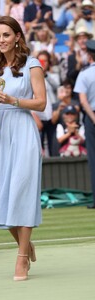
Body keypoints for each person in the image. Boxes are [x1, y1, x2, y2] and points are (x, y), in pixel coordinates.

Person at [0, 16, 46, 281]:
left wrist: (12, 100)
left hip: (22, 130)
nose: (2, 40)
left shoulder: (32, 64)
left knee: (22, 191)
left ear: (17, 36)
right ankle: (25, 244)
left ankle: (21, 258)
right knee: (0, 197)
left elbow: (41, 103)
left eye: (6, 35)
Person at [74, 39, 95, 209]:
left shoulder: (85, 73)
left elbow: (83, 100)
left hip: (92, 118)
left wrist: (93, 118)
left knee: (94, 160)